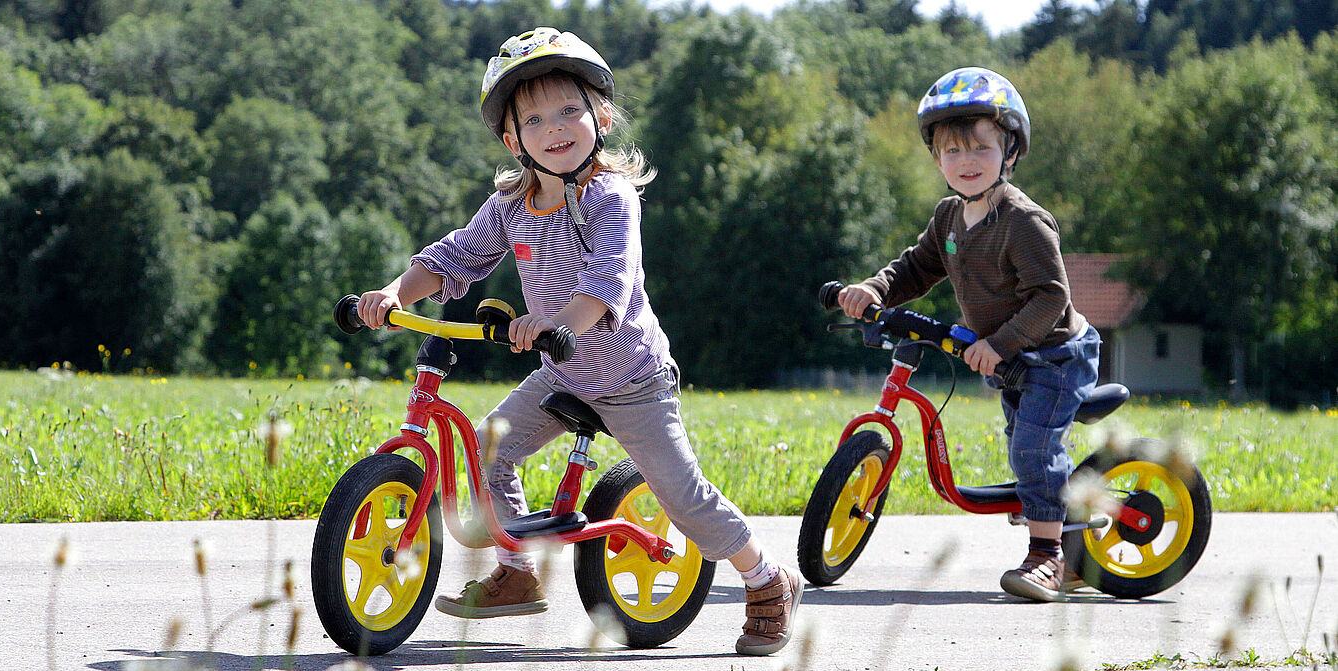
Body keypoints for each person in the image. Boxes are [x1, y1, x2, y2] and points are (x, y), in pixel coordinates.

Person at [352, 27, 801, 654]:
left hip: (633, 376)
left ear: (603, 117)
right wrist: (398, 290)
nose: (555, 127)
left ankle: (766, 580)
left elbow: (608, 277)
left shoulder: (610, 196)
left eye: (569, 110)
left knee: (682, 497)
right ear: (513, 140)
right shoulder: (511, 204)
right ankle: (517, 573)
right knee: (485, 451)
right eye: (534, 118)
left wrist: (557, 321)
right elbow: (457, 255)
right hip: (563, 372)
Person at [837, 67, 1100, 603]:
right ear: (936, 159)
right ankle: (1060, 524)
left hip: (1055, 354)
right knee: (1027, 449)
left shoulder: (1025, 223)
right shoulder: (949, 218)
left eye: (981, 148)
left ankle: (1050, 559)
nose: (967, 161)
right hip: (1007, 356)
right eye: (952, 151)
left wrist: (1000, 343)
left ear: (1010, 150)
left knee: (1032, 448)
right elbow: (915, 268)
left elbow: (1051, 297)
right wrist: (875, 289)